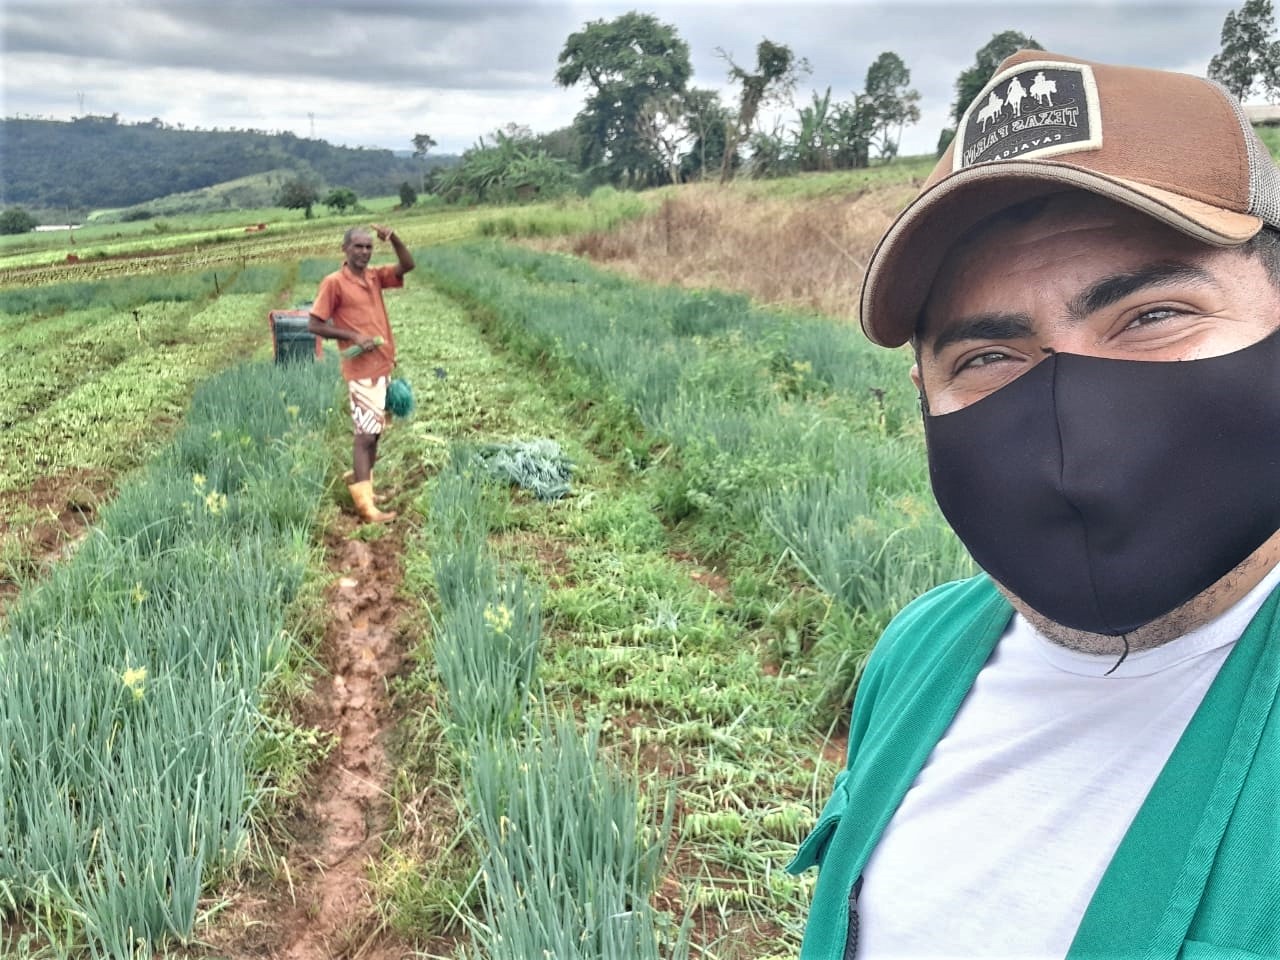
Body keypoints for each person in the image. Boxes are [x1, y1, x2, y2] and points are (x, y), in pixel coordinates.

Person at [789, 50, 1280, 959]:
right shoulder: (917, 652)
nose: (1069, 420)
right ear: (922, 395)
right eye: (987, 359)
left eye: (1153, 315)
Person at [308, 224, 414, 523]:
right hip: (360, 371)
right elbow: (314, 324)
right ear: (345, 249)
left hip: (381, 365)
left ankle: (364, 484)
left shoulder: (374, 277)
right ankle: (365, 507)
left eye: (368, 247)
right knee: (365, 436)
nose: (364, 252)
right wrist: (352, 336)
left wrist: (393, 237)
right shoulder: (334, 283)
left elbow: (408, 265)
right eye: (358, 246)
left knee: (375, 431)